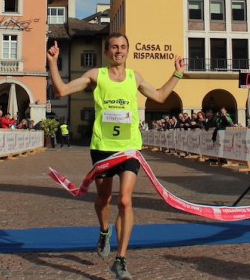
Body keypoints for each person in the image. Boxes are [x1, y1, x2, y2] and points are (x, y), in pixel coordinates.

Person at [47, 32, 185, 279]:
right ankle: (103, 230)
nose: (118, 51)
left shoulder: (135, 77)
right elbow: (61, 91)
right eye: (113, 47)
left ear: (127, 51)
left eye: (122, 47)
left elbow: (161, 96)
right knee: (104, 199)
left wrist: (177, 73)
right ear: (107, 51)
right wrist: (53, 63)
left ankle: (121, 260)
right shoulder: (96, 75)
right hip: (103, 147)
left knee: (124, 201)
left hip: (130, 147)